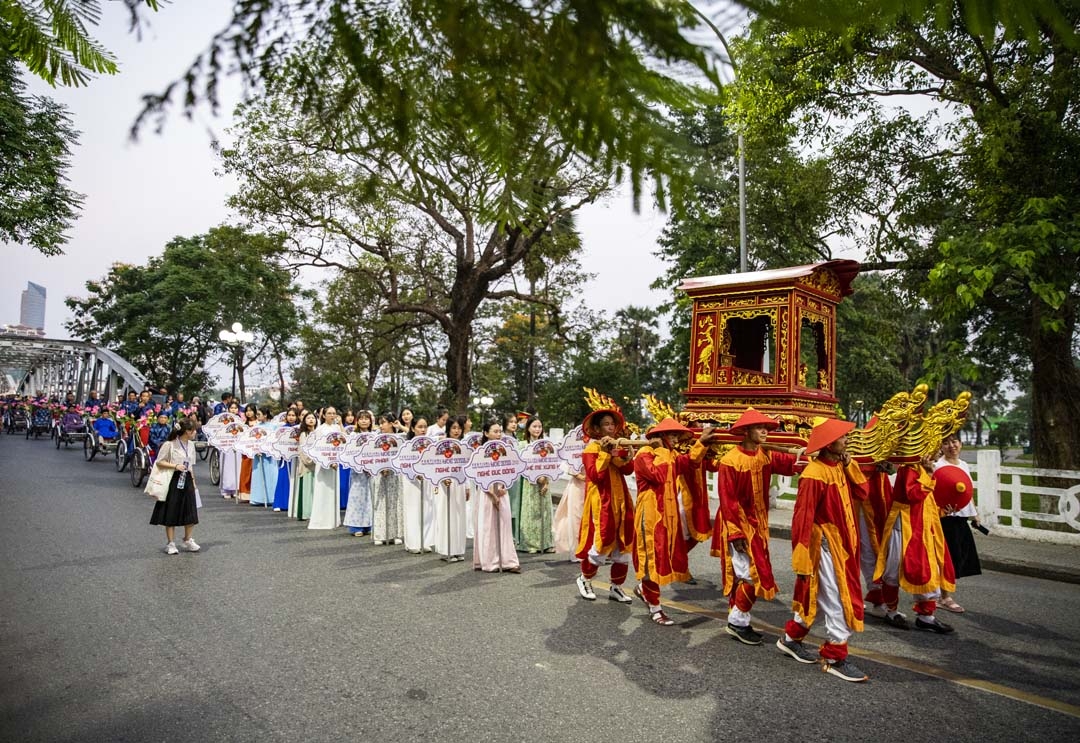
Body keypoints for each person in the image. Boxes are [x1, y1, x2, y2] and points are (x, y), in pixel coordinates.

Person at [778, 417, 870, 682]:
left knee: (817, 598)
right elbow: (802, 518)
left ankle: (791, 638)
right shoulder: (814, 474)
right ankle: (834, 656)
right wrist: (803, 556)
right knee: (836, 599)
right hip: (825, 547)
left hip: (842, 546)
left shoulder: (839, 466)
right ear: (829, 444)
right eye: (842, 438)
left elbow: (863, 492)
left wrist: (850, 464)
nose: (847, 440)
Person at [710, 408, 798, 645]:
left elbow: (793, 465)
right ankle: (737, 623)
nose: (765, 432)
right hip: (737, 524)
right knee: (750, 574)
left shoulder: (766, 454)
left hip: (759, 524)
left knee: (749, 573)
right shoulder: (730, 460)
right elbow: (728, 501)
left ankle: (739, 619)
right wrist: (735, 533)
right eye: (759, 428)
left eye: (766, 428)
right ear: (746, 431)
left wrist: (808, 453)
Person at [632, 418, 718, 625]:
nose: (673, 439)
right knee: (651, 559)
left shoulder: (671, 455)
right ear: (658, 436)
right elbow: (658, 476)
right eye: (669, 434)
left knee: (664, 557)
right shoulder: (644, 455)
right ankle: (655, 608)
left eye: (675, 435)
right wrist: (660, 451)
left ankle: (645, 592)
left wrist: (703, 443)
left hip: (668, 515)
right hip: (650, 516)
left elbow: (690, 462)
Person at [873, 454, 957, 634]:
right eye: (934, 449)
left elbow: (926, 503)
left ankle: (926, 617)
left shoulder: (922, 468)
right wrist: (927, 474)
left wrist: (942, 511)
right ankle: (891, 611)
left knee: (927, 569)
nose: (937, 453)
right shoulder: (909, 469)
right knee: (893, 570)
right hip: (903, 527)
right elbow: (913, 494)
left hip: (924, 529)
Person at [574, 408, 635, 602]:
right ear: (597, 429)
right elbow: (596, 475)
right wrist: (606, 453)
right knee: (602, 541)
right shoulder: (591, 449)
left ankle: (616, 587)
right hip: (602, 500)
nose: (610, 428)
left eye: (612, 424)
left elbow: (627, 470)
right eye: (606, 424)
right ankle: (584, 579)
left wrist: (626, 454)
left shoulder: (616, 444)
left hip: (621, 499)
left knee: (623, 545)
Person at [934, 434, 981, 613]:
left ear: (960, 444)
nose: (951, 446)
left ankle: (940, 594)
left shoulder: (963, 465)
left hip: (962, 517)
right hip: (946, 518)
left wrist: (975, 513)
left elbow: (966, 492)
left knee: (961, 556)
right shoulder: (938, 466)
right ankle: (944, 597)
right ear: (941, 447)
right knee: (949, 557)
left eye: (954, 441)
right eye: (945, 442)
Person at [472, 419, 521, 573]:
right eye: (495, 431)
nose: (499, 434)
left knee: (505, 525)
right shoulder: (479, 452)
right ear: (486, 433)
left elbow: (510, 470)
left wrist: (504, 487)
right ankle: (489, 561)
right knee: (488, 527)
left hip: (502, 492)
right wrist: (491, 494)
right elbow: (478, 475)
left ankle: (509, 561)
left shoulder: (505, 450)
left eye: (500, 431)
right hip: (486, 494)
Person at [149, 419, 201, 555]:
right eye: (193, 430)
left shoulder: (191, 445)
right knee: (171, 510)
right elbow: (159, 462)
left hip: (187, 478)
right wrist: (175, 466)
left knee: (190, 510)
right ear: (186, 432)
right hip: (173, 478)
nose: (195, 433)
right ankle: (170, 543)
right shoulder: (169, 445)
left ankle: (187, 539)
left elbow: (191, 465)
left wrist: (194, 481)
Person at [517, 416, 555, 553]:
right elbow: (522, 465)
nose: (537, 429)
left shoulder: (546, 444)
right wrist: (535, 477)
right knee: (531, 512)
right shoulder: (522, 445)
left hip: (545, 481)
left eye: (539, 426)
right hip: (529, 483)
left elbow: (551, 464)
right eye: (534, 426)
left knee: (545, 512)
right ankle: (530, 544)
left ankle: (546, 543)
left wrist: (546, 481)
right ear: (528, 428)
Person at [434, 415, 468, 561]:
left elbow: (465, 467)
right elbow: (435, 464)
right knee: (446, 515)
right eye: (453, 428)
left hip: (459, 483)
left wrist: (467, 487)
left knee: (460, 515)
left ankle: (458, 549)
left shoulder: (463, 445)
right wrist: (442, 479)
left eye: (459, 428)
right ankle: (445, 550)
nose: (456, 431)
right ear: (448, 428)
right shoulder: (441, 443)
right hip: (445, 483)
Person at [403, 416, 437, 552]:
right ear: (412, 428)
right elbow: (404, 463)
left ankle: (425, 541)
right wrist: (414, 472)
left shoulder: (431, 444)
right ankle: (412, 543)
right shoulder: (407, 445)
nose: (423, 430)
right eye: (420, 427)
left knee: (427, 509)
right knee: (413, 509)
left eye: (425, 427)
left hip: (427, 478)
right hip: (411, 480)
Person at [372, 411, 405, 545]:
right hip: (380, 473)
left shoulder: (400, 437)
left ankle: (396, 534)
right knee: (381, 502)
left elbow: (412, 436)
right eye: (380, 423)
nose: (381, 426)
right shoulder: (376, 438)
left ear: (391, 423)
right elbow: (372, 455)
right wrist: (381, 467)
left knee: (395, 502)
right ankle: (380, 534)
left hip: (395, 474)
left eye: (384, 423)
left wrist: (400, 426)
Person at [308, 406, 343, 529]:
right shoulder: (320, 429)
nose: (332, 415)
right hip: (323, 463)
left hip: (336, 462)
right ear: (324, 415)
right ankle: (321, 520)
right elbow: (318, 449)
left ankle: (333, 519)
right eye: (329, 413)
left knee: (333, 490)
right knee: (323, 490)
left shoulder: (337, 428)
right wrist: (328, 461)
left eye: (334, 413)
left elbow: (343, 442)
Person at [343, 409, 375, 535]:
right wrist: (362, 466)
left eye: (366, 418)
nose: (364, 421)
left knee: (370, 497)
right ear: (357, 421)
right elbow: (350, 453)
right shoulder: (353, 436)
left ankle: (369, 524)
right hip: (357, 472)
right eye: (361, 418)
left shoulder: (374, 435)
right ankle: (356, 526)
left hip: (371, 471)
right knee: (357, 497)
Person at [291, 412, 318, 520]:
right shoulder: (303, 434)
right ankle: (305, 512)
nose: (311, 420)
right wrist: (311, 461)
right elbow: (302, 451)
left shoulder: (317, 433)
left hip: (317, 465)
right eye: (308, 418)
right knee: (306, 489)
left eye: (313, 418)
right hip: (306, 466)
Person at [272, 408, 299, 512]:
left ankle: (294, 503)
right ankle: (280, 503)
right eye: (289, 415)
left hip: (296, 457)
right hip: (285, 458)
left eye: (293, 415)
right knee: (283, 480)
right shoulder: (282, 429)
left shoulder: (299, 428)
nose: (291, 417)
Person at [218, 400, 243, 500]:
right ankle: (226, 489)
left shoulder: (240, 420)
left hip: (237, 446)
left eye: (235, 408)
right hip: (226, 447)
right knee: (227, 467)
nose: (233, 410)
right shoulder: (223, 419)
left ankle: (236, 489)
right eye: (232, 408)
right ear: (228, 409)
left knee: (237, 467)